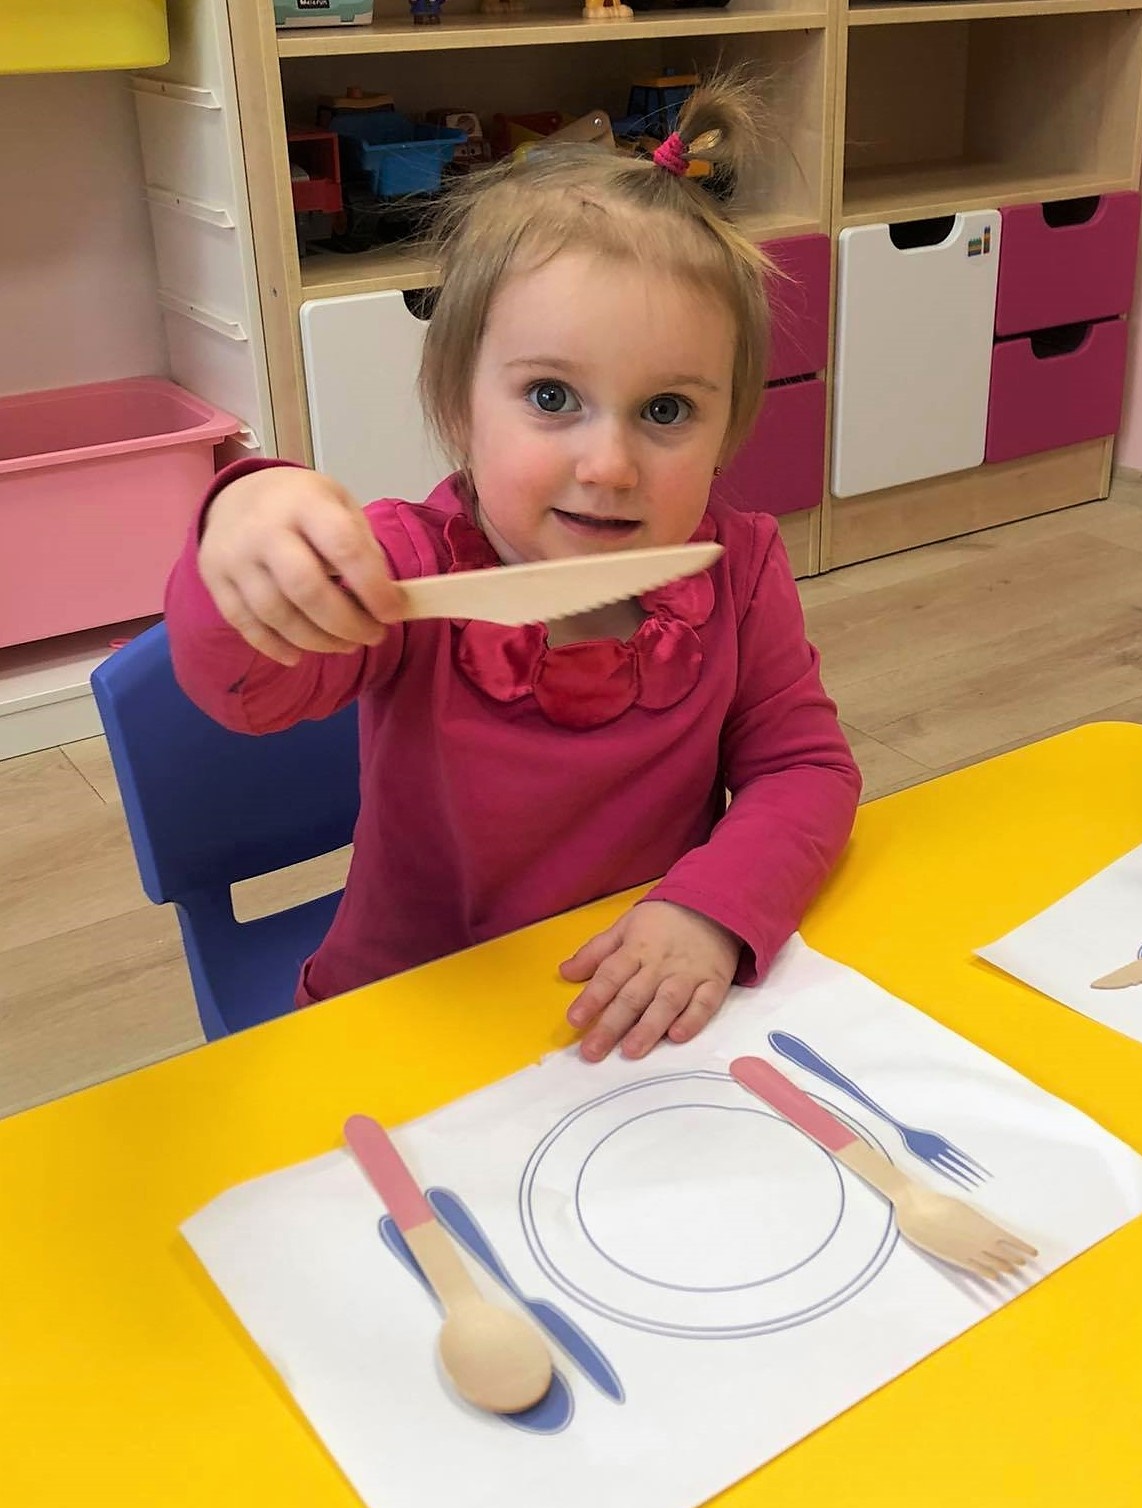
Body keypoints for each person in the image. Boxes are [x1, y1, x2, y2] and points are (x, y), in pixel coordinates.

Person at [164, 80, 861, 1063]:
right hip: (414, 1015)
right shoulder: (400, 569)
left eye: (666, 411)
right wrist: (243, 526)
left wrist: (711, 906)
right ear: (460, 407)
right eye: (550, 396)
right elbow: (249, 688)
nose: (608, 465)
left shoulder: (736, 571)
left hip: (634, 1003)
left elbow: (804, 770)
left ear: (726, 433)